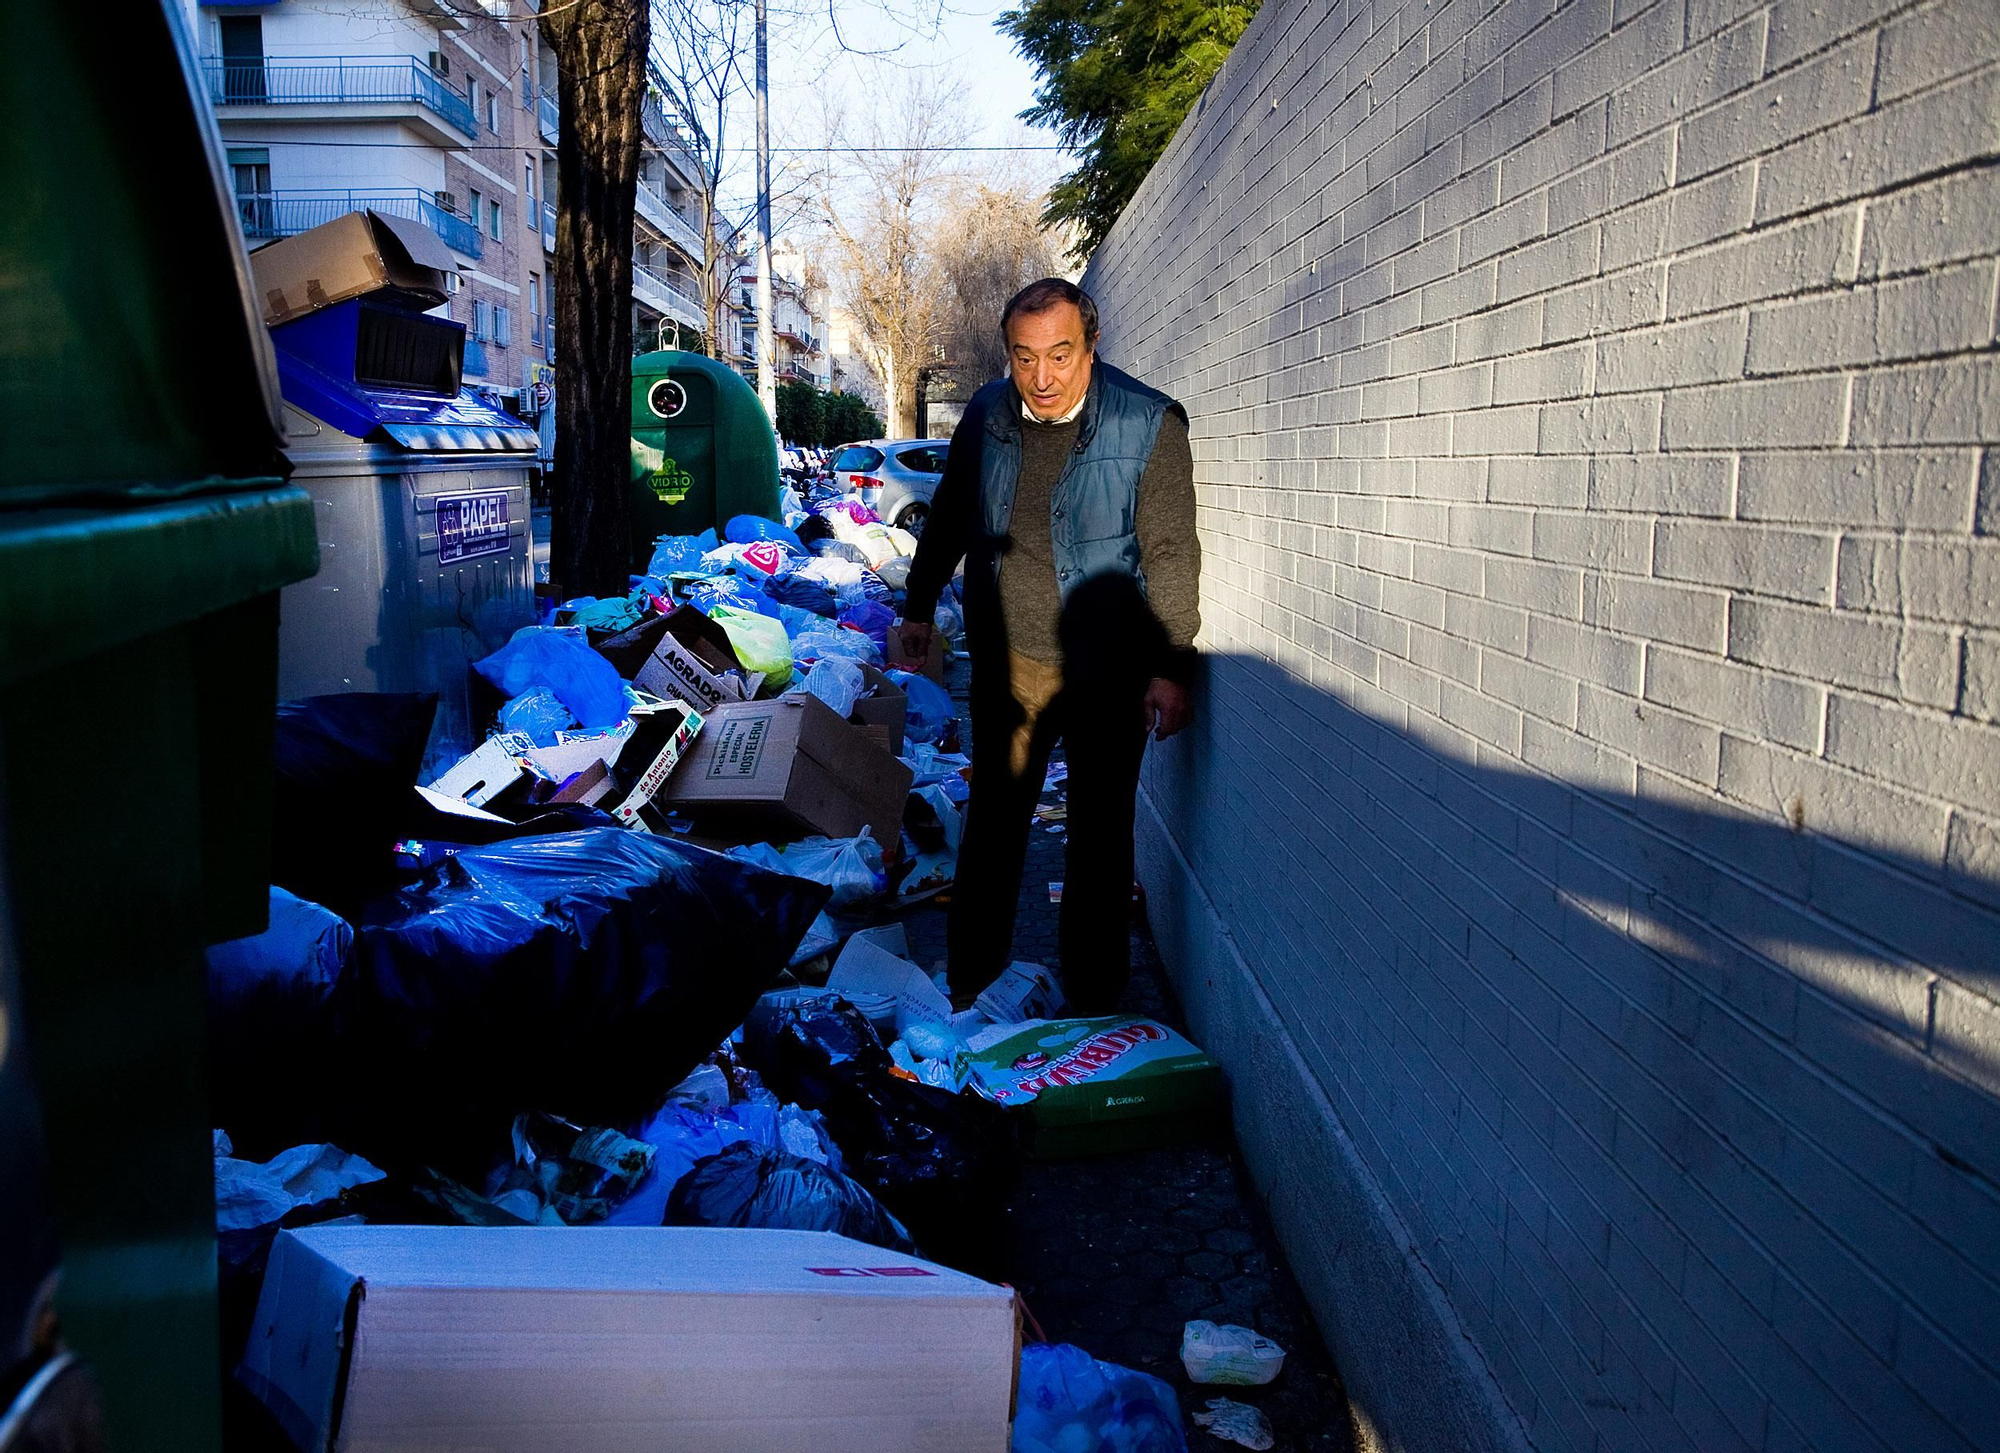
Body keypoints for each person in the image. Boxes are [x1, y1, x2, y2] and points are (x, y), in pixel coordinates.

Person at [896, 278, 1200, 1014]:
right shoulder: (987, 415)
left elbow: (1170, 551)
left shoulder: (1148, 422)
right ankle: (971, 986)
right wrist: (918, 604)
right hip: (1011, 663)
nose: (1041, 377)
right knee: (994, 828)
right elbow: (952, 515)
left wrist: (1173, 664)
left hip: (1110, 669)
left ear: (1091, 346)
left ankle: (1094, 999)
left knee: (1099, 838)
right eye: (1025, 357)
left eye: (1060, 356)